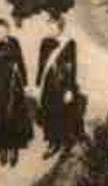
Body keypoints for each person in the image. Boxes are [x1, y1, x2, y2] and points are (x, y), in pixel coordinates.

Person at [0, 20, 32, 167]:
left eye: (5, 30)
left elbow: (21, 62)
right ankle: (2, 149)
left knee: (14, 117)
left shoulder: (14, 43)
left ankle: (14, 148)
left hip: (13, 86)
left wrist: (26, 83)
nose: (2, 33)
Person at [36, 17, 85, 158]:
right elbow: (41, 65)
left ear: (60, 28)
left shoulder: (69, 44)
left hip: (62, 86)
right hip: (48, 85)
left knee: (63, 115)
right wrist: (38, 85)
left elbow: (72, 67)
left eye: (52, 28)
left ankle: (66, 144)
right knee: (48, 114)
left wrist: (69, 89)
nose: (49, 30)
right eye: (48, 27)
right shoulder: (44, 42)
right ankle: (52, 143)